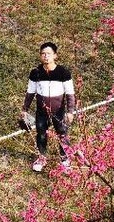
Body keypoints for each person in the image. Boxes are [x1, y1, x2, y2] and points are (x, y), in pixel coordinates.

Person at [21, 41, 75, 172]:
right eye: (43, 54)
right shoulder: (35, 73)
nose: (45, 56)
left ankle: (65, 159)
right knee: (41, 134)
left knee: (62, 133)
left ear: (55, 55)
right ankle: (41, 158)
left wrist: (70, 111)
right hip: (42, 111)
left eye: (49, 54)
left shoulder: (63, 73)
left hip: (59, 110)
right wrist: (24, 109)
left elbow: (70, 93)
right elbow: (30, 92)